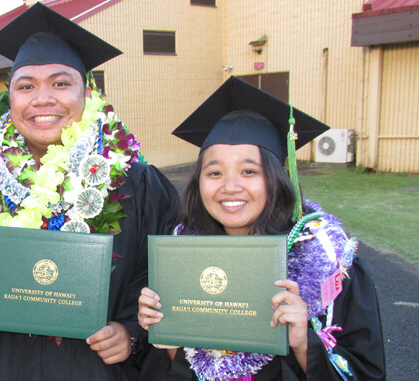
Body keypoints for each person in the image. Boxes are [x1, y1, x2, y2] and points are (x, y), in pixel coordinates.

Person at [0, 3, 180, 380]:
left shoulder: (137, 184)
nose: (42, 99)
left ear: (88, 93)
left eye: (61, 83)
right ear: (9, 100)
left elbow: (170, 284)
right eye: (25, 86)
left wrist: (134, 334)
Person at [138, 76, 386, 380]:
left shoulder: (329, 263)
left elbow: (367, 371)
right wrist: (168, 342)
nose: (230, 187)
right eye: (214, 172)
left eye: (248, 171)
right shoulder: (182, 259)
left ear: (276, 176)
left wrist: (302, 344)